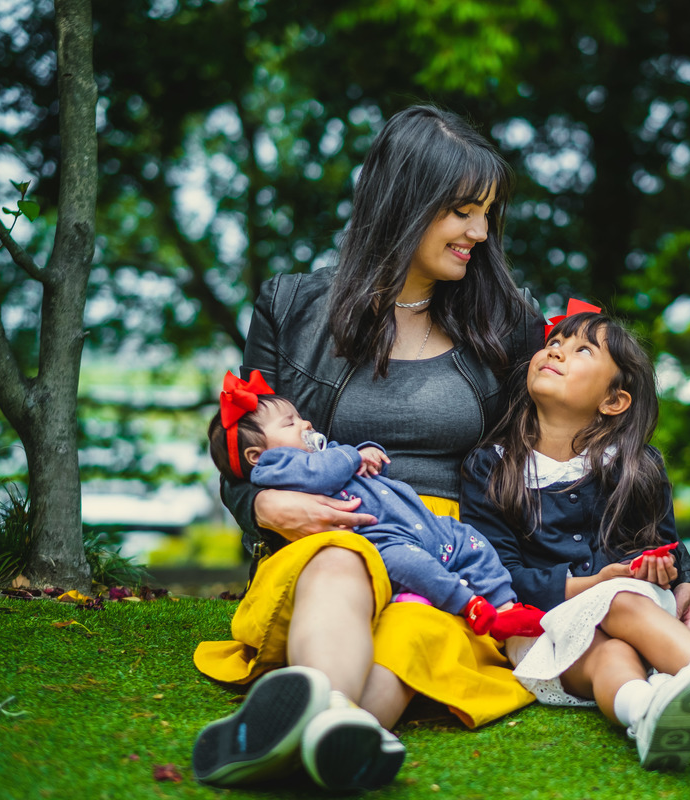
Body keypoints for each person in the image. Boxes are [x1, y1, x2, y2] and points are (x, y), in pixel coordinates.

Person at [191, 104, 545, 792]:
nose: (479, 232)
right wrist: (264, 505)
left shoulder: (506, 319)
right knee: (339, 564)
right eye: (462, 211)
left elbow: (583, 446)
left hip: (450, 554)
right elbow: (242, 454)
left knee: (418, 634)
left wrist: (671, 560)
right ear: (406, 204)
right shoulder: (292, 308)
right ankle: (333, 735)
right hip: (336, 532)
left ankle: (318, 728)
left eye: (486, 213)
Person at [460, 311, 690, 770]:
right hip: (543, 631)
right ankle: (671, 702)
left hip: (637, 616)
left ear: (614, 401)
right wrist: (596, 582)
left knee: (620, 599)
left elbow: (665, 546)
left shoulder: (636, 465)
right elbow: (498, 574)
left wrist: (664, 569)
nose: (556, 349)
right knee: (609, 646)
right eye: (555, 341)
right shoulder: (491, 468)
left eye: (582, 349)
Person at [207, 371, 545, 639]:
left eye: (299, 417)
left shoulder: (323, 454)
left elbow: (339, 456)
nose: (306, 424)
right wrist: (353, 455)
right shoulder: (275, 466)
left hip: (426, 524)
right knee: (412, 566)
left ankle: (505, 607)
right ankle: (467, 604)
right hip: (383, 538)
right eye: (290, 423)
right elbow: (321, 473)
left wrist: (363, 451)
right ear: (256, 456)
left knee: (472, 542)